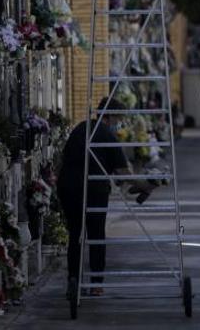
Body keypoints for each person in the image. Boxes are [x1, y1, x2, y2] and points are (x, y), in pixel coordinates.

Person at [58, 98, 129, 297]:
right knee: (96, 234)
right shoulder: (108, 135)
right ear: (110, 116)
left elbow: (64, 158)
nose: (119, 123)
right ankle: (96, 283)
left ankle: (73, 280)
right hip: (94, 190)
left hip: (68, 187)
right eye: (119, 118)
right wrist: (146, 184)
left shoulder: (81, 128)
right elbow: (123, 172)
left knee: (75, 234)